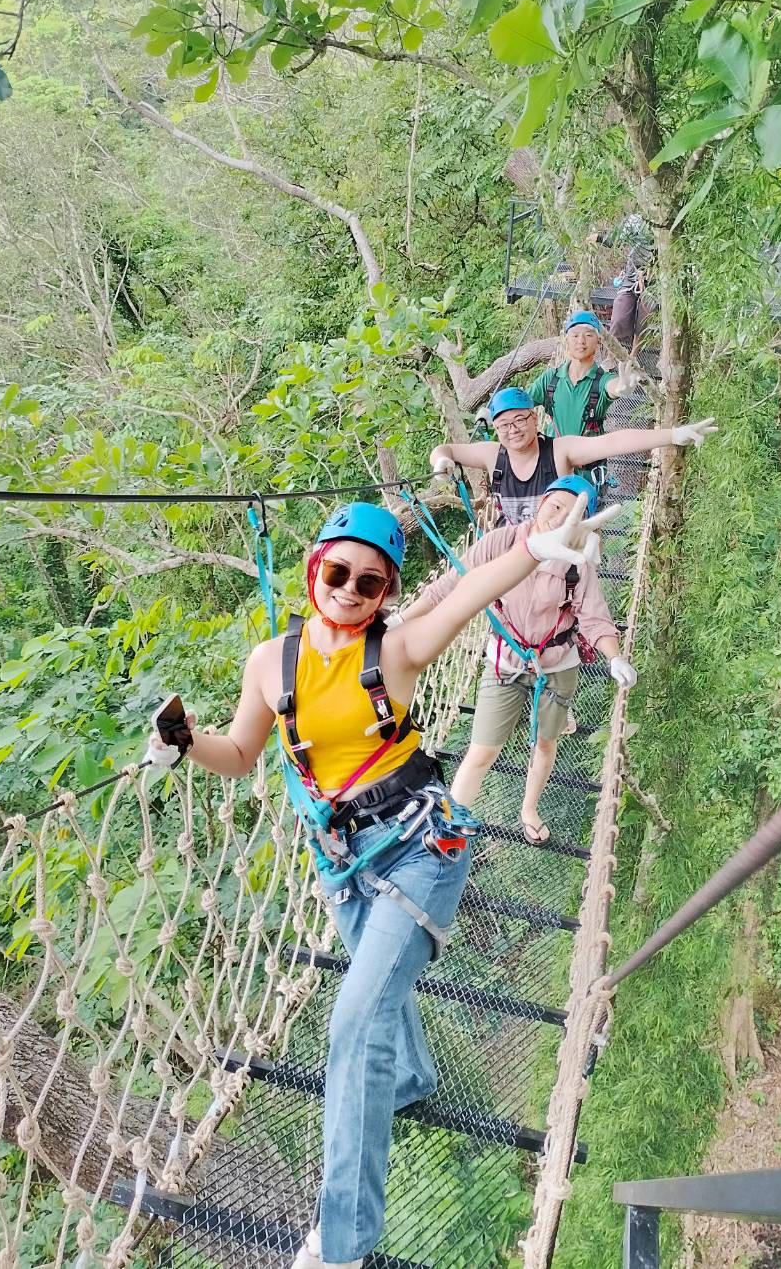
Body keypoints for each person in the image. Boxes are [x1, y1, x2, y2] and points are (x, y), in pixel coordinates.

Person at [141, 495, 617, 1269]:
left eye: (370, 582)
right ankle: (413, 1078)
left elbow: (469, 592)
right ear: (313, 570)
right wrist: (186, 741)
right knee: (377, 998)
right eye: (338, 572)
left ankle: (343, 1245)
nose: (350, 591)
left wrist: (538, 544)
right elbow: (239, 753)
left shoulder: (395, 649)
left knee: (356, 1021)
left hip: (421, 848)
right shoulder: (270, 662)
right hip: (342, 865)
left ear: (387, 593)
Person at [400, 476, 636, 844]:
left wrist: (614, 657)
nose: (559, 518)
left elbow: (594, 617)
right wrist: (401, 621)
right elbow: (450, 585)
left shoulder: (577, 562)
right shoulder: (503, 542)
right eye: (555, 506)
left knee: (544, 743)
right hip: (506, 662)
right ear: (540, 502)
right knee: (482, 751)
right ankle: (449, 829)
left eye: (572, 514)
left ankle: (529, 808)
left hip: (555, 665)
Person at [431, 388, 717, 525]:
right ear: (495, 429)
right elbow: (446, 450)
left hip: (559, 552)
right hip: (516, 553)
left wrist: (672, 435)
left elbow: (613, 441)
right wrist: (441, 463)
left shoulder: (560, 450)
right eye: (504, 425)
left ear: (534, 418)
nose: (513, 430)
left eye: (519, 420)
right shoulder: (493, 455)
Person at [527, 308, 640, 440]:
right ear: (567, 341)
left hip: (589, 459)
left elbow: (611, 386)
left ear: (598, 342)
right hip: (555, 457)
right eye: (575, 335)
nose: (581, 341)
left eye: (588, 335)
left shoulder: (601, 380)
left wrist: (621, 387)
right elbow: (521, 403)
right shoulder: (551, 379)